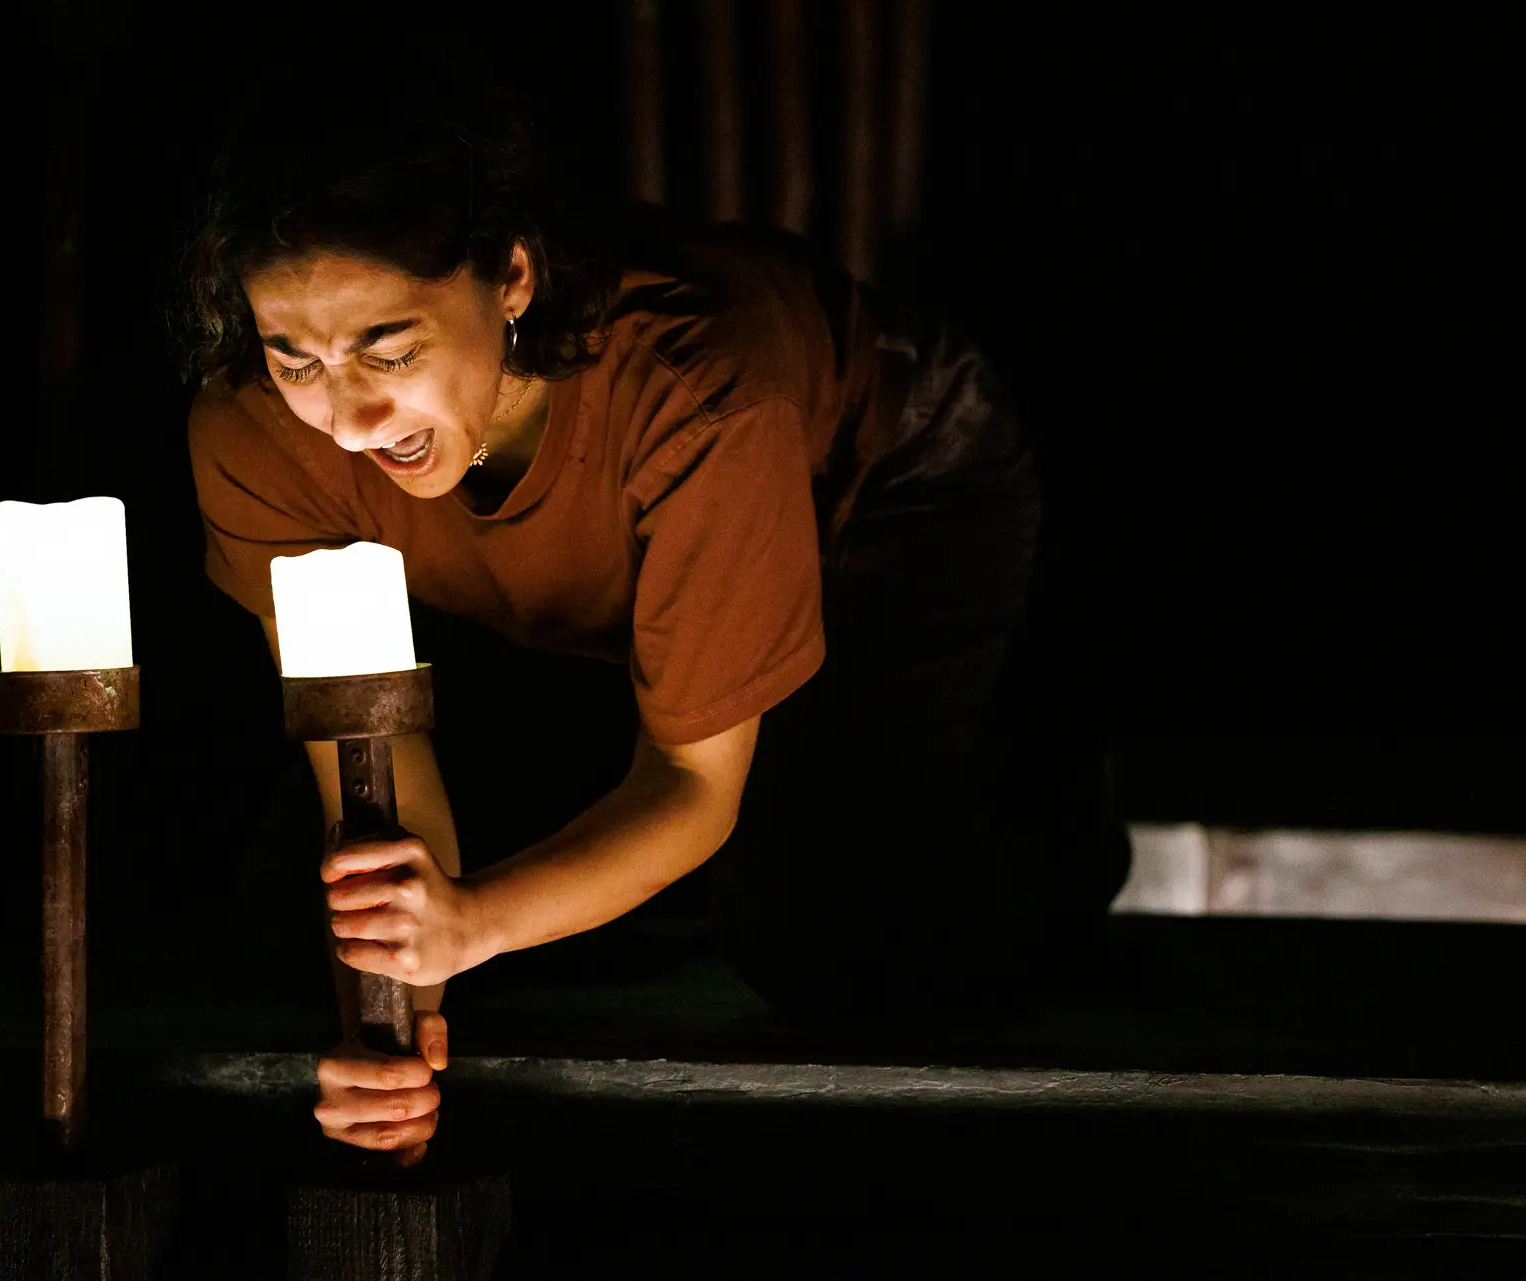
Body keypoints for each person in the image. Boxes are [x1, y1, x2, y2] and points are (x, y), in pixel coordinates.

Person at [182, 86, 1128, 1165]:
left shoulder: (703, 390)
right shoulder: (259, 430)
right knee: (281, 914)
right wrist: (392, 1032)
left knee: (814, 927)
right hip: (587, 602)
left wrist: (477, 923)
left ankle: (1047, 818)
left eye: (389, 351)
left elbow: (688, 786)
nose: (344, 420)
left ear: (514, 279)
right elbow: (377, 781)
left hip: (883, 498)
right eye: (295, 358)